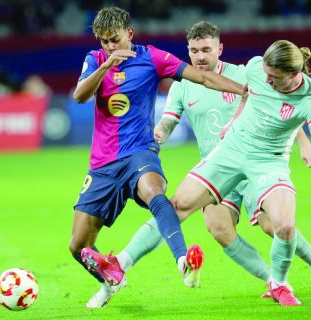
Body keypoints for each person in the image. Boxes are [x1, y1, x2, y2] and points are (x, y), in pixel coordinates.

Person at [89, 22, 311, 307]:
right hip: (229, 151)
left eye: (274, 77)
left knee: (282, 228)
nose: (266, 80)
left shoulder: (300, 94)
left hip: (267, 162)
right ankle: (119, 262)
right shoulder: (257, 67)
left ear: (293, 75)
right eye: (194, 50)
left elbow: (299, 117)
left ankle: (279, 283)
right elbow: (251, 94)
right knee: (178, 208)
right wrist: (231, 121)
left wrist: (305, 145)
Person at [69, 7, 245, 308]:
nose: (110, 46)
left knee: (154, 191)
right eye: (104, 41)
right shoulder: (94, 59)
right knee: (78, 246)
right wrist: (106, 64)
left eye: (115, 40)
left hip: (139, 150)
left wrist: (245, 91)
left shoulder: (153, 58)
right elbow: (80, 96)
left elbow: (202, 78)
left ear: (130, 34)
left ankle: (182, 261)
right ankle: (111, 280)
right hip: (102, 163)